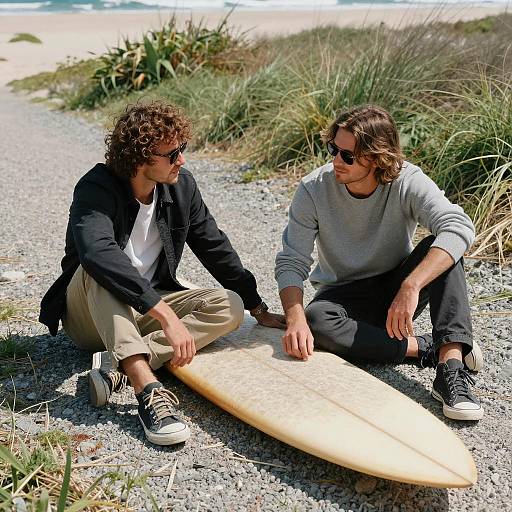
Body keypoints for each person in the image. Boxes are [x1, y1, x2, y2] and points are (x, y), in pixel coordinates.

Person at [40, 101, 285, 445]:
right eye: (173, 153)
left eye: (182, 150)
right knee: (100, 268)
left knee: (229, 306)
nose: (181, 161)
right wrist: (164, 313)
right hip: (90, 316)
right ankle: (146, 386)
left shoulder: (181, 187)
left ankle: (119, 363)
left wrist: (256, 306)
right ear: (141, 158)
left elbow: (214, 246)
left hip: (142, 311)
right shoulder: (95, 188)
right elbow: (97, 252)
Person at [275, 104, 484, 421]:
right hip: (342, 294)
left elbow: (458, 226)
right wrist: (295, 319)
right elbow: (292, 259)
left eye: (348, 156)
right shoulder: (313, 189)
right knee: (316, 320)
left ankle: (450, 367)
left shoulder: (407, 180)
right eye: (334, 149)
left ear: (376, 158)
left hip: (396, 287)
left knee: (443, 249)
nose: (336, 161)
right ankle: (426, 348)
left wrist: (411, 285)